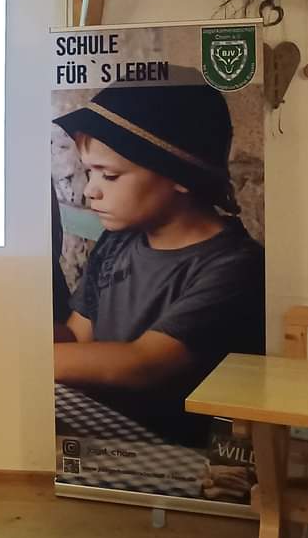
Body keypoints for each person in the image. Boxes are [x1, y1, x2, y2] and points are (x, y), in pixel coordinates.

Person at [52, 78, 265, 447]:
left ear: (180, 176)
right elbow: (76, 336)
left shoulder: (234, 268)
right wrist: (7, 337)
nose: (90, 189)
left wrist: (18, 360)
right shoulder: (118, 240)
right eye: (90, 172)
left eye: (110, 175)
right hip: (107, 437)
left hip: (184, 456)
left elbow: (144, 365)